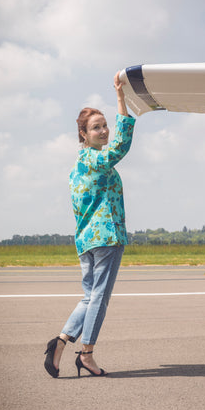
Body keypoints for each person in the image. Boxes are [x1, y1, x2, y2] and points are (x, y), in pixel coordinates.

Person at [44, 71, 135, 378]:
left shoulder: (77, 167)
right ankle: (86, 354)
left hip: (86, 241)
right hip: (105, 238)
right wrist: (122, 99)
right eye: (97, 127)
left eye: (105, 125)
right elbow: (121, 146)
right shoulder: (94, 160)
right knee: (99, 297)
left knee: (90, 296)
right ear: (83, 134)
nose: (105, 131)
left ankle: (59, 343)